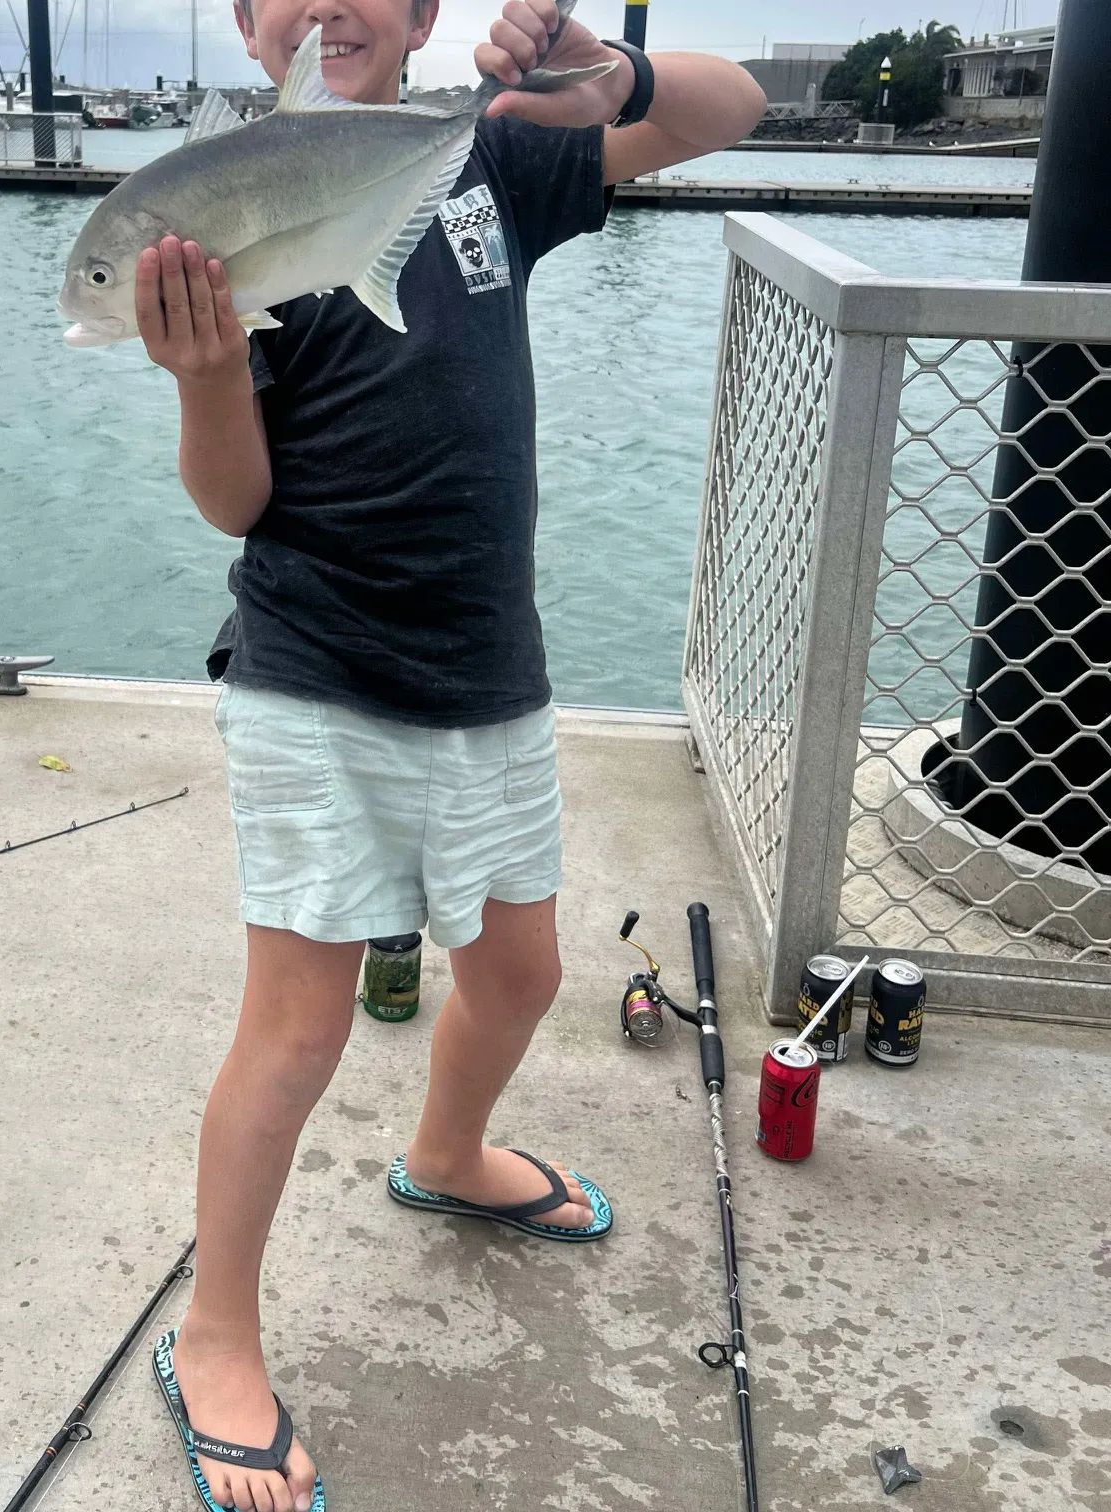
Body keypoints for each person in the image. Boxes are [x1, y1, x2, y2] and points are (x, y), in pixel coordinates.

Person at [134, 3, 765, 1508]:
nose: (324, 7)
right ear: (242, 22)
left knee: (525, 971)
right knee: (297, 1027)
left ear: (424, 13)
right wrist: (207, 373)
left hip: (490, 665)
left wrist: (613, 79)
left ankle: (448, 1150)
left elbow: (725, 109)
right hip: (314, 668)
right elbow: (233, 507)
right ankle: (217, 1329)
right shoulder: (209, 212)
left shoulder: (489, 158)